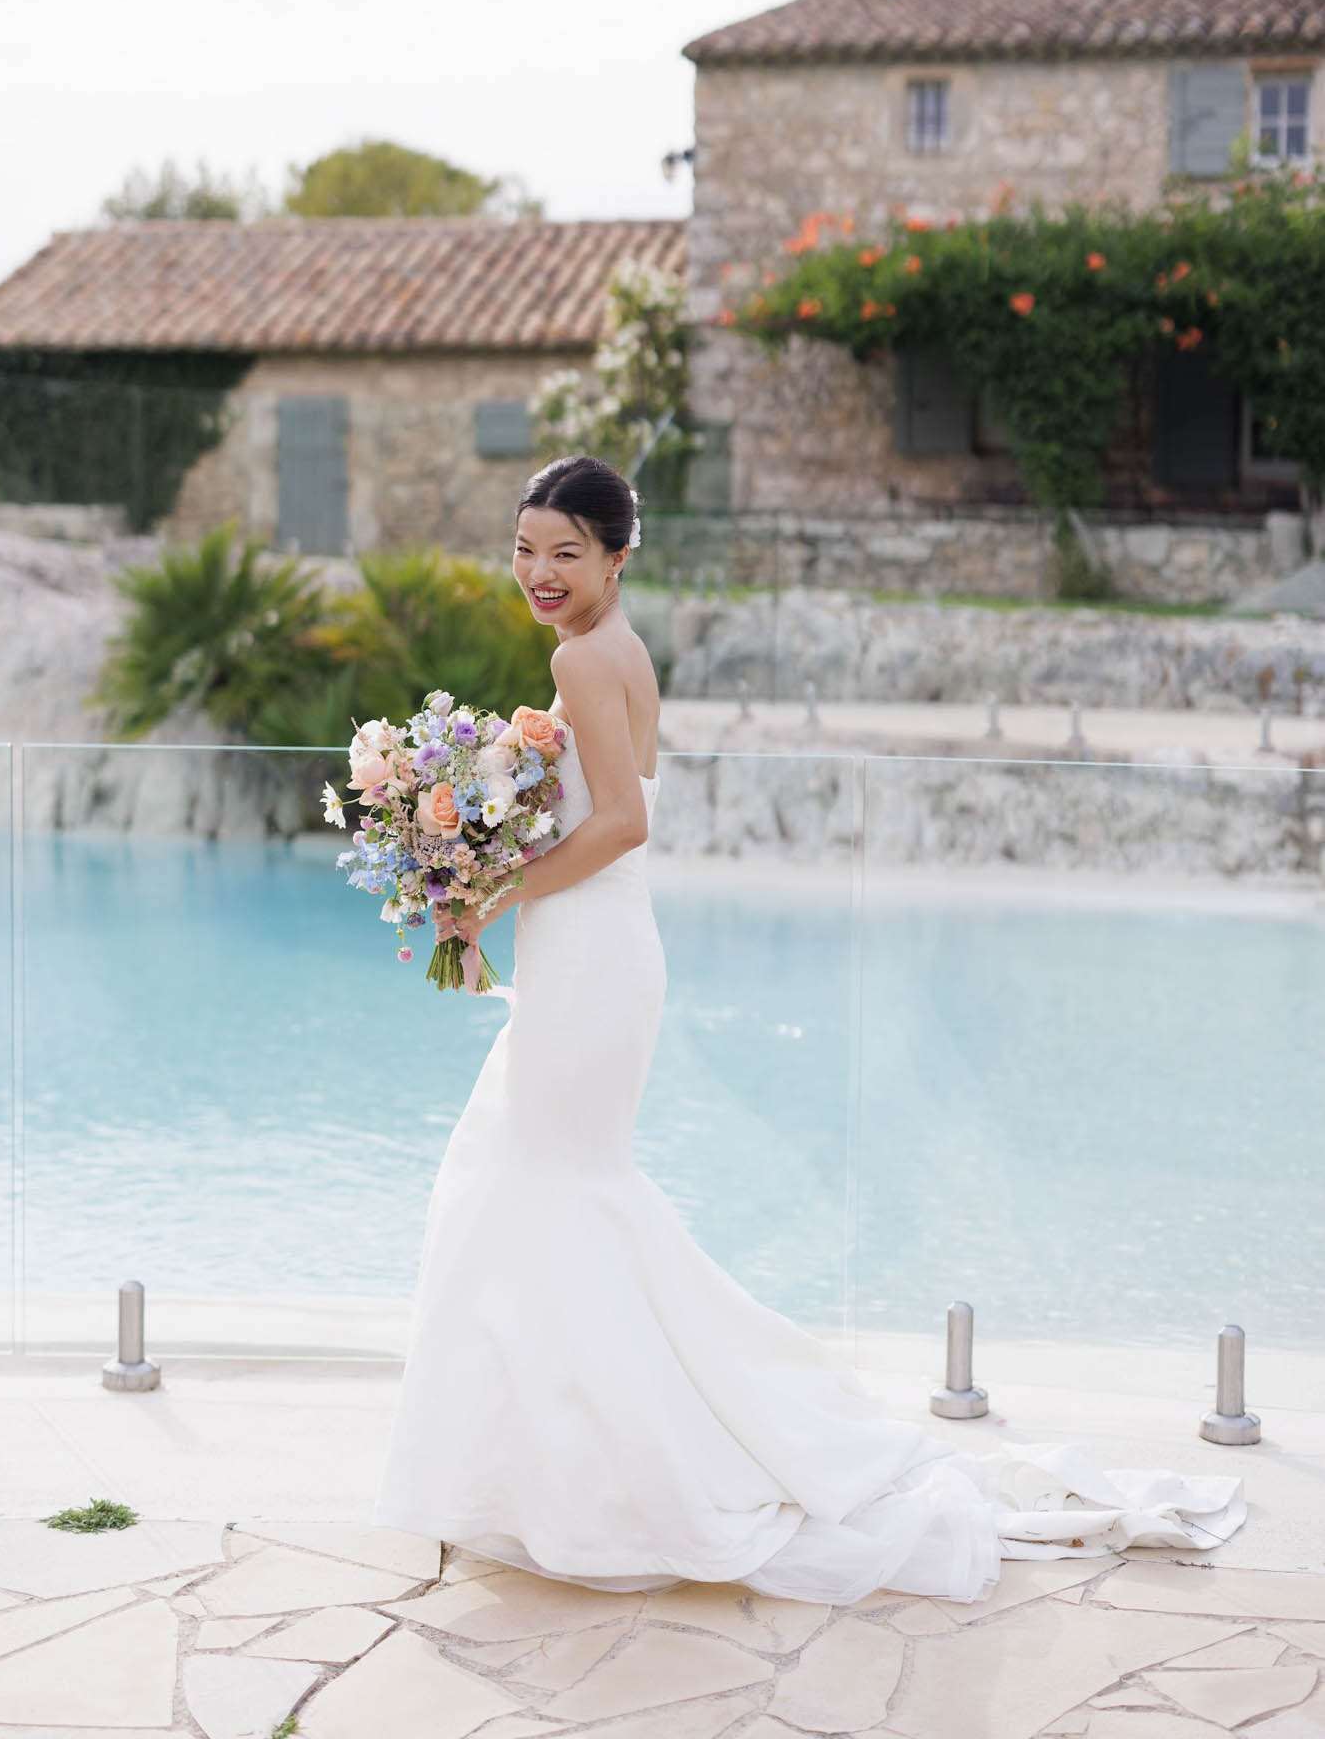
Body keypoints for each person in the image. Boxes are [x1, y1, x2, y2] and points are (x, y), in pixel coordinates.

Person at [370, 453, 1247, 1604]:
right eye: (525, 548)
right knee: (559, 1190)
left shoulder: (584, 656)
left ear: (619, 555)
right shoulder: (613, 650)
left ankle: (627, 1469)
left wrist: (488, 888)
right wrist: (500, 821)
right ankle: (579, 1466)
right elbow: (611, 793)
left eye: (566, 551)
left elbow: (626, 821)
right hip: (600, 949)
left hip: (590, 948)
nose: (539, 570)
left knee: (548, 1188)